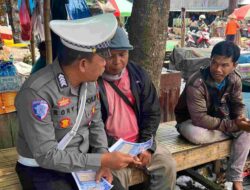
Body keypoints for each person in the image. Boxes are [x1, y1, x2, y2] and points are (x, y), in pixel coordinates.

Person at [15, 14, 141, 190]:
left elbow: (96, 124)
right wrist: (102, 160)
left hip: (83, 161)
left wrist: (102, 159)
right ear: (83, 64)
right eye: (103, 58)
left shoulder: (90, 84)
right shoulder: (37, 93)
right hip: (42, 168)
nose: (107, 63)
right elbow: (47, 156)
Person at [98, 27, 176, 190]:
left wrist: (147, 146)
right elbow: (92, 125)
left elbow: (152, 112)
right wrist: (118, 150)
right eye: (111, 55)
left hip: (140, 141)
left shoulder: (138, 75)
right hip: (110, 147)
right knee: (114, 179)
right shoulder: (93, 81)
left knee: (167, 165)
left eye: (122, 54)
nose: (117, 61)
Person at [175, 41, 250, 190]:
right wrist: (235, 126)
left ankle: (236, 179)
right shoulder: (197, 82)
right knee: (197, 134)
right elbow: (199, 119)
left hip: (219, 123)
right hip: (191, 122)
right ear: (210, 60)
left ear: (234, 65)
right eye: (214, 63)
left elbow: (237, 105)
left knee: (246, 129)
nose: (217, 69)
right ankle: (233, 133)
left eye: (224, 65)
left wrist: (241, 119)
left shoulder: (234, 79)